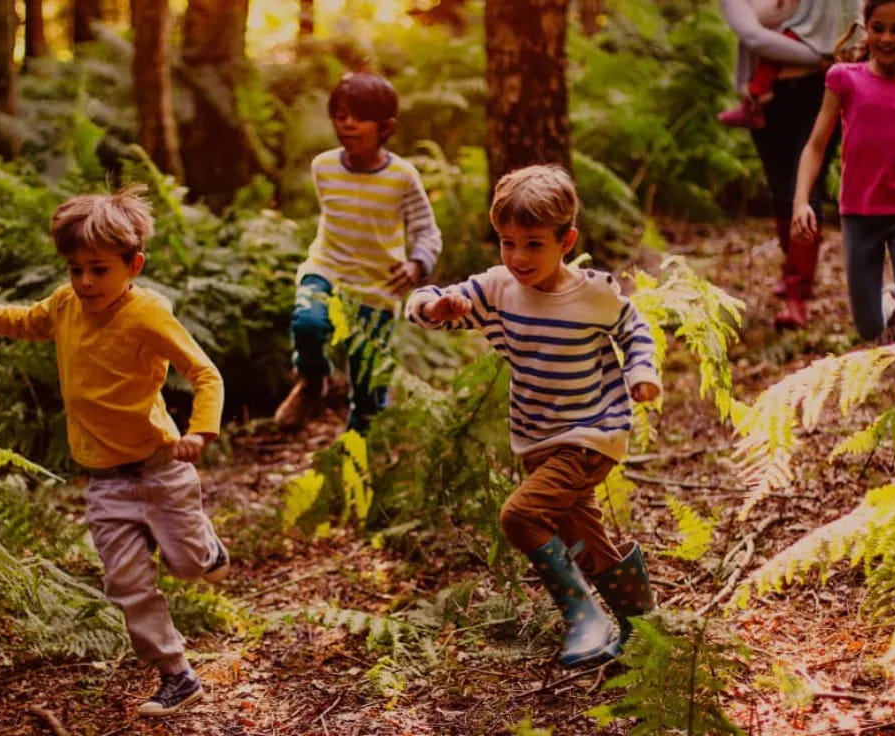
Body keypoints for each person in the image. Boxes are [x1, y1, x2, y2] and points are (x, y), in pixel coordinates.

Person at [405, 165, 661, 667]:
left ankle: (582, 617)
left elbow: (635, 329)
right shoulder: (499, 287)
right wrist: (437, 309)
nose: (518, 257)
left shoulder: (592, 294)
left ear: (566, 240)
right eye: (507, 242)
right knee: (584, 539)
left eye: (533, 244)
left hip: (594, 432)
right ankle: (647, 630)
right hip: (537, 438)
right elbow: (421, 300)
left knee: (520, 515)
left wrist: (641, 373)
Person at [0, 186, 228, 717]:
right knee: (126, 583)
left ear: (134, 265)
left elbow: (205, 373)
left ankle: (208, 550)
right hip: (104, 480)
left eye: (98, 270)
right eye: (75, 269)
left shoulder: (147, 315)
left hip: (161, 467)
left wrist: (201, 433)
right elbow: (28, 321)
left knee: (190, 567)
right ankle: (176, 674)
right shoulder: (64, 304)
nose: (84, 282)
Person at [273, 71, 443, 433]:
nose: (347, 123)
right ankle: (310, 382)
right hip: (326, 269)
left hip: (377, 289)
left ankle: (361, 457)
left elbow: (426, 230)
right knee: (308, 323)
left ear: (386, 126)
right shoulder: (324, 167)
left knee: (367, 387)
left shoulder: (402, 177)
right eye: (340, 115)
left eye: (359, 116)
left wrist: (417, 264)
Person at [720, 0, 860, 329]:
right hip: (767, 99)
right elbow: (752, 36)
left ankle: (799, 293)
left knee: (806, 187)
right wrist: (822, 56)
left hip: (821, 91)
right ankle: (794, 269)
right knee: (781, 190)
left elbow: (857, 21)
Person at [792, 0, 895, 342]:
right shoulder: (844, 79)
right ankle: (890, 303)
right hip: (859, 214)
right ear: (867, 28)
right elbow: (816, 144)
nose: (887, 38)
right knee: (868, 327)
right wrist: (801, 201)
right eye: (878, 28)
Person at [718, 0, 802, 130]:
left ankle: (754, 101)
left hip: (793, 81)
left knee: (759, 41)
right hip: (772, 75)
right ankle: (751, 105)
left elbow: (761, 18)